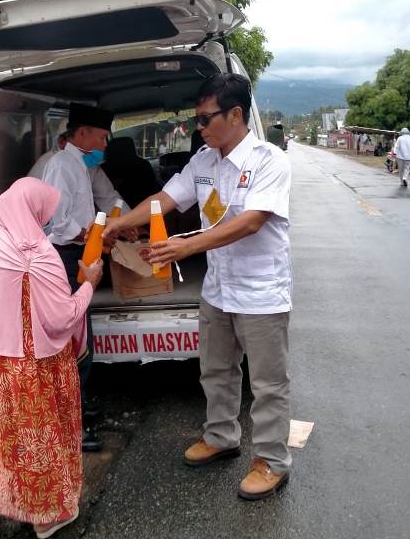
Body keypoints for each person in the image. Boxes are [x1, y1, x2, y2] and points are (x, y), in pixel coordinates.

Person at [105, 73, 293, 501]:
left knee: (267, 383)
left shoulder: (269, 161)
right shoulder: (203, 161)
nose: (199, 129)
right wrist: (120, 222)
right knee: (216, 371)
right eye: (197, 120)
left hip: (261, 291)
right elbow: (165, 199)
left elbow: (250, 222)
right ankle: (222, 436)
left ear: (235, 114)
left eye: (206, 119)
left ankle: (271, 461)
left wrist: (183, 248)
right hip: (219, 290)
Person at [0, 177, 103, 539]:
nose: (47, 220)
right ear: (34, 210)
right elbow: (62, 318)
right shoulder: (40, 255)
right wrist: (89, 284)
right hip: (31, 365)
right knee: (37, 441)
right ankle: (43, 518)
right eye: (45, 212)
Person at [41, 103, 131, 452]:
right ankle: (70, 428)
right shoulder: (61, 166)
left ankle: (76, 408)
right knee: (71, 341)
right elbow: (55, 222)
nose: (107, 144)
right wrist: (91, 236)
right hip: (64, 258)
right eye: (102, 136)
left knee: (81, 336)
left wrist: (114, 226)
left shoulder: (82, 165)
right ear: (82, 134)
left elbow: (108, 200)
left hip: (79, 255)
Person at [101, 136, 161, 207]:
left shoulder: (103, 169)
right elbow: (153, 189)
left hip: (113, 209)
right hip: (145, 207)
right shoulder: (143, 165)